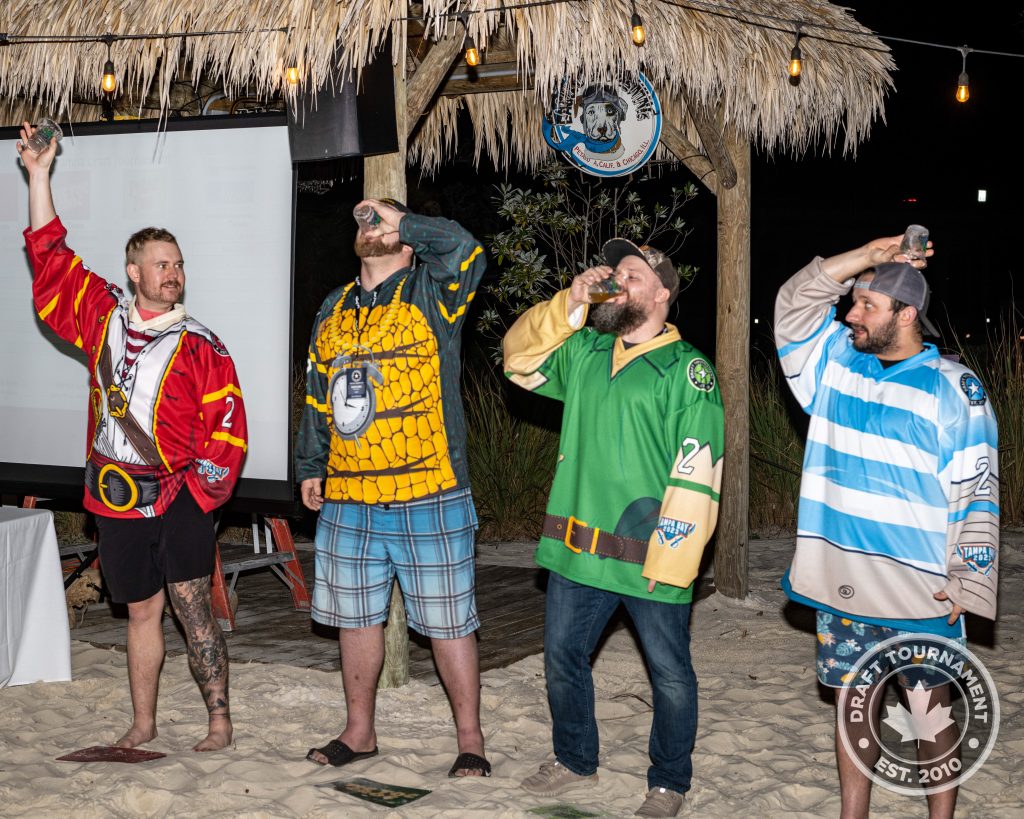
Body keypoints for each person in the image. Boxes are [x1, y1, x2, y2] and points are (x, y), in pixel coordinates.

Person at [17, 122, 248, 751]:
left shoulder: (202, 345)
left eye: (178, 264)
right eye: (161, 264)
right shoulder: (102, 316)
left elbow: (228, 431)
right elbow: (51, 256)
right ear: (133, 272)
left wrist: (198, 498)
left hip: (179, 496)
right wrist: (39, 175)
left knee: (191, 604)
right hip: (116, 495)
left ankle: (219, 722)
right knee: (141, 611)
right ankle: (143, 723)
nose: (173, 273)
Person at [774, 236, 999, 818]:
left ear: (906, 314)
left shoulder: (955, 388)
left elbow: (977, 489)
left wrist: (971, 579)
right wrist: (869, 256)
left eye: (866, 305)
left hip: (919, 589)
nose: (850, 314)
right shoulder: (833, 365)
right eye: (853, 302)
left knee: (930, 713)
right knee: (854, 707)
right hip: (843, 583)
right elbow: (794, 302)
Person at [504, 239, 724, 817]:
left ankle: (669, 782)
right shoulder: (585, 349)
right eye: (614, 273)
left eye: (631, 274)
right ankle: (575, 759)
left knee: (669, 676)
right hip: (577, 550)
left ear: (662, 292)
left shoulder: (688, 370)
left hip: (650, 556)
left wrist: (673, 561)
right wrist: (570, 302)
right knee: (562, 660)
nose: (617, 281)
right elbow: (517, 359)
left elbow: (698, 472)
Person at [295, 198, 490, 777]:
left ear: (408, 239)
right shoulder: (334, 305)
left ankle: (471, 739)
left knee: (449, 621)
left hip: (431, 491)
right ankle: (359, 732)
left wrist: (400, 219)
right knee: (355, 617)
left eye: (384, 223)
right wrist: (311, 464)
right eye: (366, 221)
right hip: (349, 497)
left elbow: (467, 251)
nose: (371, 227)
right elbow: (317, 391)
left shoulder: (432, 292)